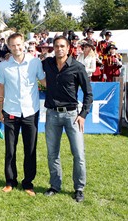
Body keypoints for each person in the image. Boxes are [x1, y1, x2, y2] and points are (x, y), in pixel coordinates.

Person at [42, 35, 93, 202]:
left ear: (69, 48)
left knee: (79, 154)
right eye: (56, 46)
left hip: (72, 115)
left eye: (62, 46)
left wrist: (83, 114)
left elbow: (88, 94)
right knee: (52, 153)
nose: (59, 49)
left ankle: (79, 189)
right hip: (52, 114)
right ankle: (54, 186)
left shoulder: (77, 67)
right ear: (53, 48)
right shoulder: (47, 64)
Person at [0, 33, 45, 197]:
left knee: (30, 149)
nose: (16, 48)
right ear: (8, 46)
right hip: (10, 111)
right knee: (10, 149)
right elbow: (0, 87)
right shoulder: (3, 66)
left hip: (31, 112)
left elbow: (44, 81)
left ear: (23, 44)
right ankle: (10, 181)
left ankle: (28, 183)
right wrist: (0, 109)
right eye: (13, 45)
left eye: (19, 44)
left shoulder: (35, 62)